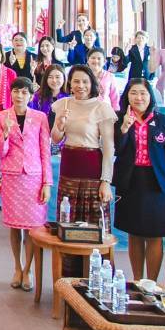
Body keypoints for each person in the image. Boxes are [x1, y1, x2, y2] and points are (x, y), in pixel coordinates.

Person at [113, 78, 165, 281]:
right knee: (134, 233)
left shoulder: (163, 121)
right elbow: (117, 150)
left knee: (155, 234)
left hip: (157, 184)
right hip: (131, 181)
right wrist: (124, 129)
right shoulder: (120, 119)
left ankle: (151, 283)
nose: (138, 97)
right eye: (133, 93)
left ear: (150, 96)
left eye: (143, 93)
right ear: (127, 96)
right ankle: (137, 280)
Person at [0, 78, 53, 290]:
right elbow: (0, 152)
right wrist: (5, 134)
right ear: (10, 93)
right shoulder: (1, 117)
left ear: (30, 95)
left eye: (23, 92)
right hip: (12, 176)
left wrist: (47, 182)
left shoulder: (40, 117)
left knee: (32, 227)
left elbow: (45, 151)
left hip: (34, 177)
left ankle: (28, 269)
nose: (19, 95)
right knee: (14, 226)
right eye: (16, 91)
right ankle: (17, 267)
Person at [50, 64, 117, 228]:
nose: (80, 86)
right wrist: (59, 125)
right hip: (68, 167)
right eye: (76, 81)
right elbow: (56, 139)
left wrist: (106, 181)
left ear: (92, 83)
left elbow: (109, 148)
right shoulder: (63, 104)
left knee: (93, 224)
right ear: (70, 83)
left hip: (92, 170)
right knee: (67, 220)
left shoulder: (102, 108)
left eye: (85, 82)